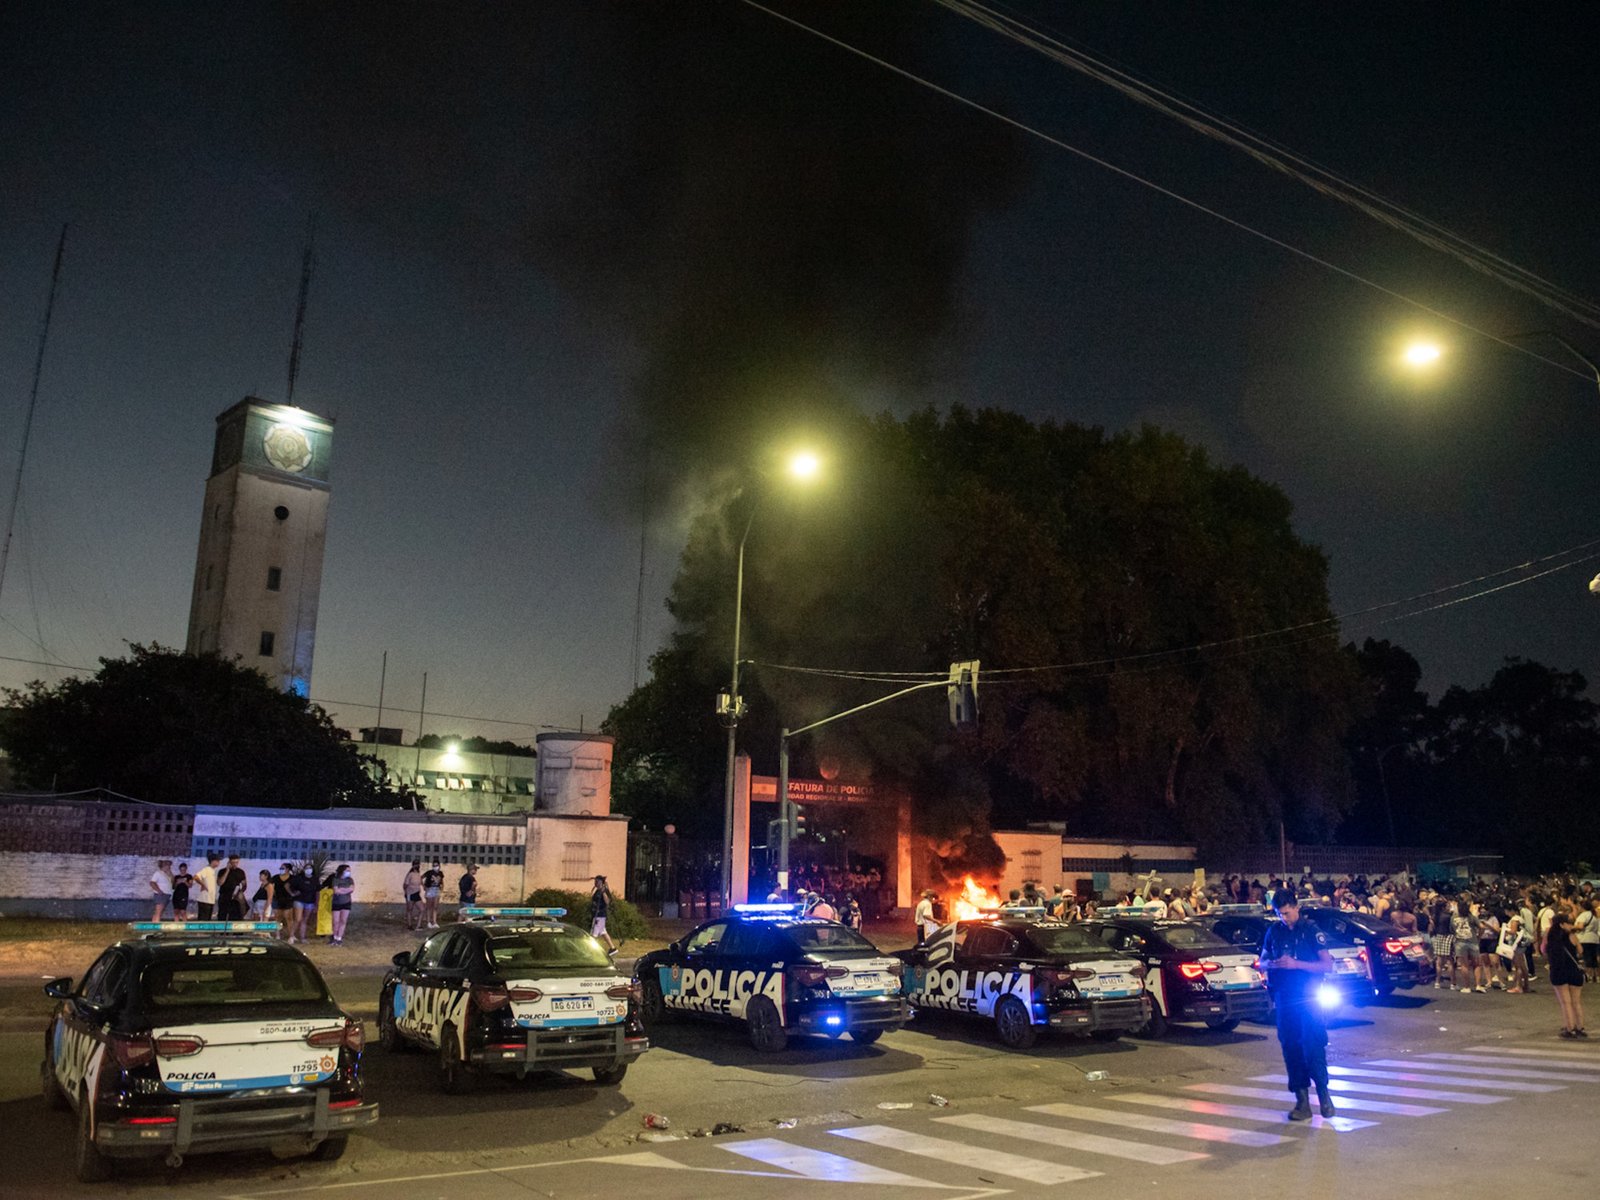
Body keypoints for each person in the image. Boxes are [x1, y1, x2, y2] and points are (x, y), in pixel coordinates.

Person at [1260, 889, 1336, 1121]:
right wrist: (1272, 964)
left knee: (1313, 1043)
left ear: (1296, 907)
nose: (1285, 917)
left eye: (1287, 912)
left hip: (1309, 995)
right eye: (1280, 914)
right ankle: (1302, 1101)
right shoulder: (1274, 932)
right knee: (1290, 1045)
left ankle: (1324, 1095)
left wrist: (1296, 964)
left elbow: (1326, 965)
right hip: (1285, 997)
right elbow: (1262, 961)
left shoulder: (1311, 931)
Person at [1548, 910, 1587, 1037]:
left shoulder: (1552, 937)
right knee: (1576, 1002)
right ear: (1563, 924)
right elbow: (1580, 951)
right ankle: (1580, 1027)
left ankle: (1569, 1028)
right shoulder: (1572, 936)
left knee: (1566, 1003)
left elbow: (1544, 950)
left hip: (1560, 971)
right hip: (1574, 971)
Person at [289, 863, 319, 944]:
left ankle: (302, 937)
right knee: (298, 919)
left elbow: (317, 892)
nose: (308, 869)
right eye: (306, 868)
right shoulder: (299, 878)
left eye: (310, 868)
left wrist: (316, 904)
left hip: (310, 901)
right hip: (299, 900)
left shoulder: (315, 879)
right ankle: (291, 936)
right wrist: (293, 893)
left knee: (304, 920)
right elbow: (289, 885)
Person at [328, 863, 354, 945]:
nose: (349, 872)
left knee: (343, 921)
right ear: (342, 871)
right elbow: (336, 891)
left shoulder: (350, 880)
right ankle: (334, 937)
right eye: (347, 870)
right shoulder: (335, 879)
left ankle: (339, 938)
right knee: (335, 921)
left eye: (349, 870)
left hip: (346, 903)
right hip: (336, 903)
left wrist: (341, 889)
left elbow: (352, 889)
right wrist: (346, 889)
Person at [218, 853, 248, 921]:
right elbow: (220, 883)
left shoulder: (241, 872)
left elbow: (245, 885)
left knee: (236, 916)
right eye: (233, 862)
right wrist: (227, 871)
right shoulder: (222, 871)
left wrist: (241, 888)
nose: (235, 864)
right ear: (229, 862)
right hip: (224, 897)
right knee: (223, 915)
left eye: (236, 862)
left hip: (236, 897)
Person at [590, 875, 615, 951]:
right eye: (595, 882)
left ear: (601, 883)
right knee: (603, 932)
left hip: (600, 916)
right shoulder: (597, 890)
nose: (595, 883)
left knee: (593, 935)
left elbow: (607, 902)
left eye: (597, 882)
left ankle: (591, 950)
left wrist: (603, 892)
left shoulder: (604, 891)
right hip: (597, 915)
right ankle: (613, 948)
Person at [193, 852, 221, 921]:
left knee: (208, 919)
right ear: (213, 861)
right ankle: (200, 931)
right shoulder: (206, 869)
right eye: (217, 861)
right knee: (203, 918)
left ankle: (204, 931)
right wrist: (203, 885)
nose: (219, 863)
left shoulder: (213, 871)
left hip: (210, 899)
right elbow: (196, 877)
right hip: (205, 899)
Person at [272, 862, 297, 939]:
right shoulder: (276, 877)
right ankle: (277, 935)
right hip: (277, 899)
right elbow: (272, 887)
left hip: (288, 900)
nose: (281, 870)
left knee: (289, 918)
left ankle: (291, 936)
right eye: (280, 868)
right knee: (277, 918)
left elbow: (296, 888)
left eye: (283, 868)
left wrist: (293, 894)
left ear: (288, 869)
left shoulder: (293, 878)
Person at [421, 859, 445, 929]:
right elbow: (421, 877)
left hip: (436, 889)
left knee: (435, 907)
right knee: (429, 907)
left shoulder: (440, 873)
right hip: (430, 889)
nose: (435, 867)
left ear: (439, 866)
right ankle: (428, 922)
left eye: (436, 865)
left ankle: (434, 922)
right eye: (434, 865)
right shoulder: (429, 872)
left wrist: (442, 887)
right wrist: (424, 886)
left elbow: (442, 881)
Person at [402, 860, 423, 930]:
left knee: (422, 909)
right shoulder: (410, 874)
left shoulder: (418, 874)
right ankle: (409, 925)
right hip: (410, 894)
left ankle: (418, 925)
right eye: (416, 864)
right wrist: (407, 892)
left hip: (417, 894)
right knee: (409, 910)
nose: (417, 866)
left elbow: (420, 882)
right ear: (413, 866)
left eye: (418, 864)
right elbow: (405, 885)